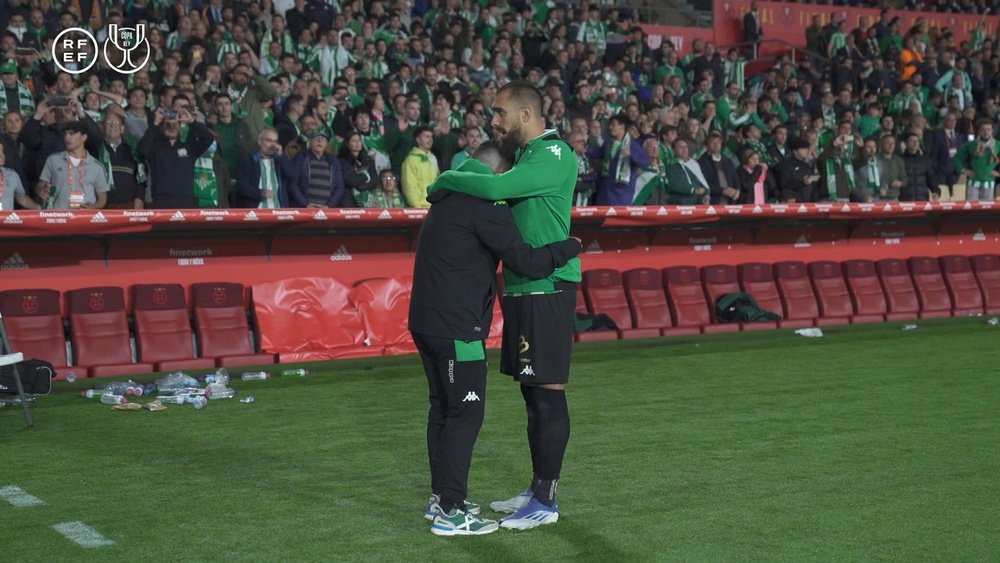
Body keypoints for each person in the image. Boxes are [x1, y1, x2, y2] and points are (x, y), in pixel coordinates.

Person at [425, 80, 578, 530]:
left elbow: (493, 187)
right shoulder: (529, 157)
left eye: (499, 113)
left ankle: (546, 501)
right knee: (532, 394)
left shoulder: (554, 154)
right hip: (523, 287)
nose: (493, 122)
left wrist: (445, 179)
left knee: (548, 393)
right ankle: (536, 488)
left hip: (547, 285)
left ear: (526, 115)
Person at [139, 106, 215, 208]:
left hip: (186, 202)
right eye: (168, 124)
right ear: (162, 127)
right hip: (161, 202)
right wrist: (155, 124)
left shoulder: (189, 146)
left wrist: (192, 122)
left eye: (175, 124)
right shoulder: (155, 147)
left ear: (180, 127)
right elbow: (143, 150)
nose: (172, 127)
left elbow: (208, 138)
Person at [36, 121, 108, 209]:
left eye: (71, 134)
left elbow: (102, 199)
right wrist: (41, 191)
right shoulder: (53, 160)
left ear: (84, 137)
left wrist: (93, 207)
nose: (67, 137)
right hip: (60, 217)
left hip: (85, 219)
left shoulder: (97, 166)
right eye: (65, 134)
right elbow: (40, 185)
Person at [235, 127, 296, 208]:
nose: (273, 145)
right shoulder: (250, 161)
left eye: (275, 141)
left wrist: (281, 156)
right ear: (259, 141)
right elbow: (241, 187)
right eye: (268, 140)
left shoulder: (280, 161)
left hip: (278, 211)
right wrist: (260, 193)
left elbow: (293, 176)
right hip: (256, 212)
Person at [953, 119, 1000, 201]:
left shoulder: (998, 145)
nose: (986, 132)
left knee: (986, 210)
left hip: (989, 181)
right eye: (983, 130)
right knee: (972, 210)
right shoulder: (971, 145)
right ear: (978, 131)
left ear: (992, 131)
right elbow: (956, 159)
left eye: (988, 130)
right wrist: (963, 170)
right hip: (973, 181)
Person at [401, 125, 438, 208]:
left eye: (431, 137)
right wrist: (417, 208)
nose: (430, 140)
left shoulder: (432, 158)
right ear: (418, 139)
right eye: (426, 136)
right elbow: (409, 187)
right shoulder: (410, 160)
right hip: (420, 207)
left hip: (434, 206)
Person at [0, 142, 37, 210]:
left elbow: (22, 199)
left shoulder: (12, 175)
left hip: (7, 220)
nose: (2, 156)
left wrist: (41, 210)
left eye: (2, 152)